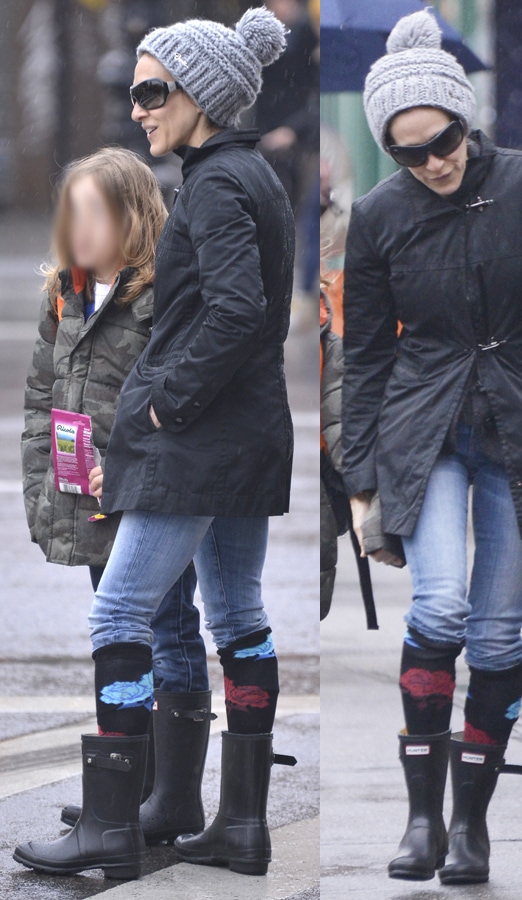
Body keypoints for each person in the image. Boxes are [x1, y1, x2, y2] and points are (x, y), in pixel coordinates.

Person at [14, 7, 296, 881]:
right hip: (247, 437)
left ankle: (111, 828)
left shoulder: (214, 185)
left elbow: (240, 313)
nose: (138, 109)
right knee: (240, 617)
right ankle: (229, 823)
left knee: (118, 614)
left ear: (200, 94)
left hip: (201, 442)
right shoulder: (253, 176)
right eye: (136, 91)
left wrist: (164, 406)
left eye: (151, 90)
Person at [342, 9, 522, 887]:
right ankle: (419, 817)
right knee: (442, 609)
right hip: (427, 431)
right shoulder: (379, 216)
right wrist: (359, 478)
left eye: (443, 141)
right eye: (410, 152)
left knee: (495, 636)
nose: (433, 162)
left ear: (464, 118)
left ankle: (471, 828)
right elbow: (366, 354)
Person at [20, 147, 217, 844]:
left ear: (134, 217)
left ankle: (173, 796)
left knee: (166, 624)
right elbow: (43, 396)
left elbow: (180, 399)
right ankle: (133, 788)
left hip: (149, 491)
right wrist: (44, 479)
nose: (80, 228)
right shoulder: (66, 292)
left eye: (95, 214)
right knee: (122, 623)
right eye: (71, 213)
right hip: (88, 494)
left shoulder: (162, 297)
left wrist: (137, 467)